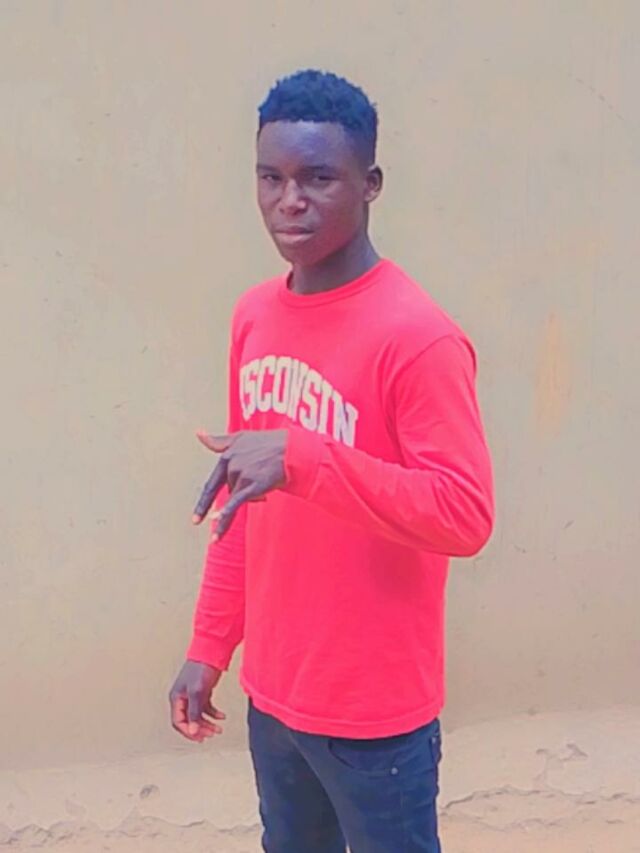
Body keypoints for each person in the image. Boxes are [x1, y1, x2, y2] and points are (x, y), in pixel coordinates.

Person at [169, 69, 494, 853]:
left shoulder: (417, 336)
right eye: (271, 178)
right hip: (275, 696)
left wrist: (304, 457)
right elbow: (240, 502)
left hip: (375, 715)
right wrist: (209, 645)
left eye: (318, 178)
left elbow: (465, 514)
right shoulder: (254, 316)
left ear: (370, 183)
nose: (290, 201)